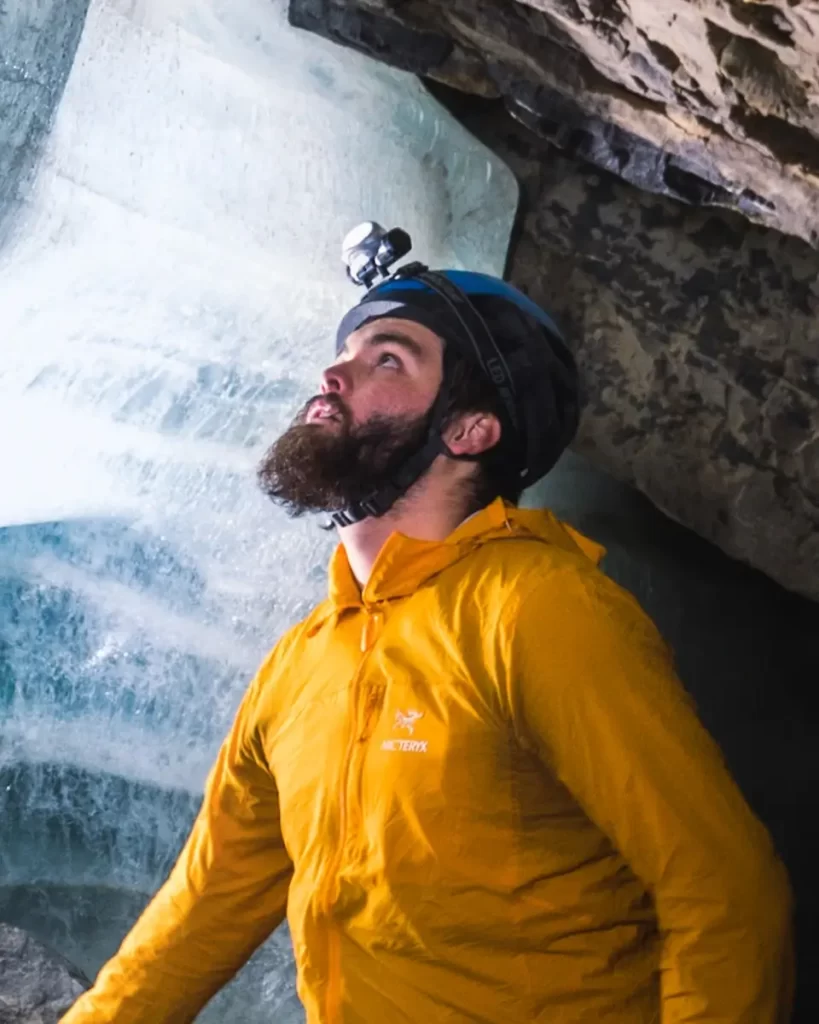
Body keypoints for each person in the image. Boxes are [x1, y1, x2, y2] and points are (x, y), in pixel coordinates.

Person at [64, 229, 793, 1023]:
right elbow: (204, 905)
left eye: (388, 359)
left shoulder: (536, 609)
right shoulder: (303, 661)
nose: (333, 371)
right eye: (345, 351)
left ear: (469, 431)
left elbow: (724, 889)